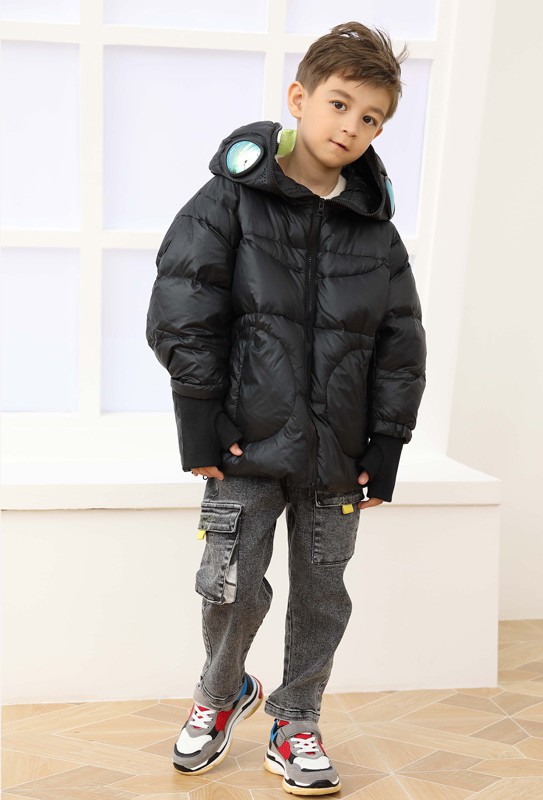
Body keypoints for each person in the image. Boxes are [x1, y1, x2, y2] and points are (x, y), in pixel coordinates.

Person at [146, 20, 426, 796]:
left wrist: (388, 441)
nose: (352, 126)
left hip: (338, 456)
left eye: (371, 118)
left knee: (323, 595)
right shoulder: (229, 200)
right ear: (299, 98)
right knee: (229, 583)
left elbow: (401, 341)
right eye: (340, 104)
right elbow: (183, 306)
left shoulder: (377, 233)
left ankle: (297, 717)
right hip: (243, 445)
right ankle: (220, 692)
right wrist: (200, 418)